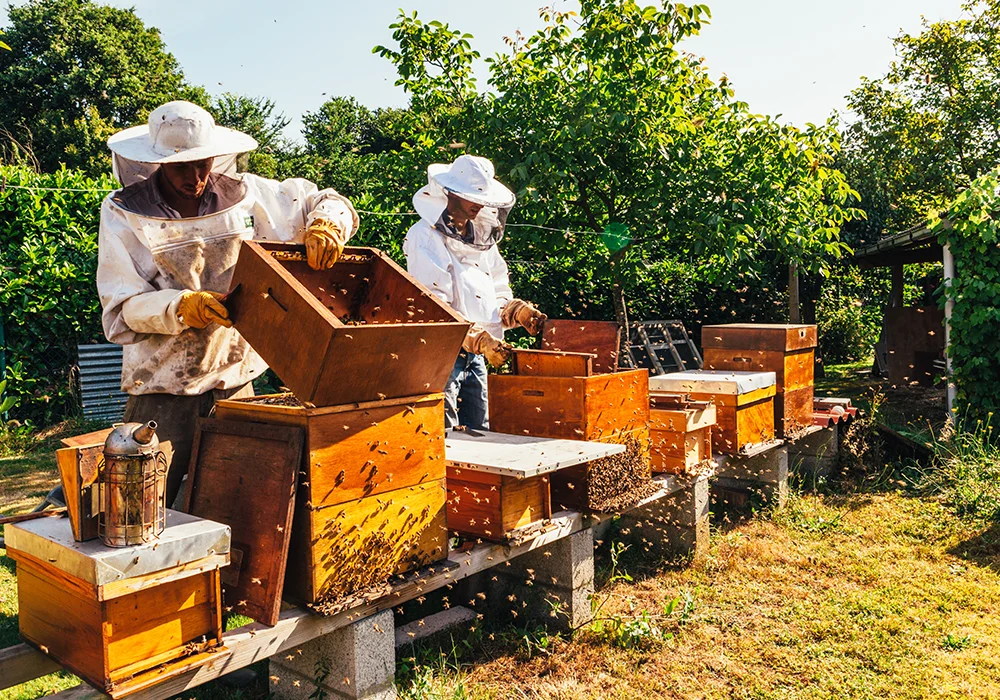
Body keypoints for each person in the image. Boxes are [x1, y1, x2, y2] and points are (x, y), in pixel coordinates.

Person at [98, 100, 359, 505]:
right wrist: (181, 307)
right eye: (182, 167)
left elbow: (322, 199)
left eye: (202, 164)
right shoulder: (123, 213)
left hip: (235, 379)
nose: (195, 177)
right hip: (162, 385)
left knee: (238, 501)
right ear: (158, 163)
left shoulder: (248, 195)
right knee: (143, 503)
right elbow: (122, 305)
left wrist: (326, 223)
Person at [403, 155, 547, 430]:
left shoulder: (482, 236)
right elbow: (433, 306)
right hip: (442, 355)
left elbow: (496, 286)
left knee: (480, 431)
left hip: (477, 355)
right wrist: (477, 340)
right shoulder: (425, 236)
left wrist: (514, 310)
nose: (479, 204)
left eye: (482, 198)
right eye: (471, 197)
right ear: (451, 193)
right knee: (447, 435)